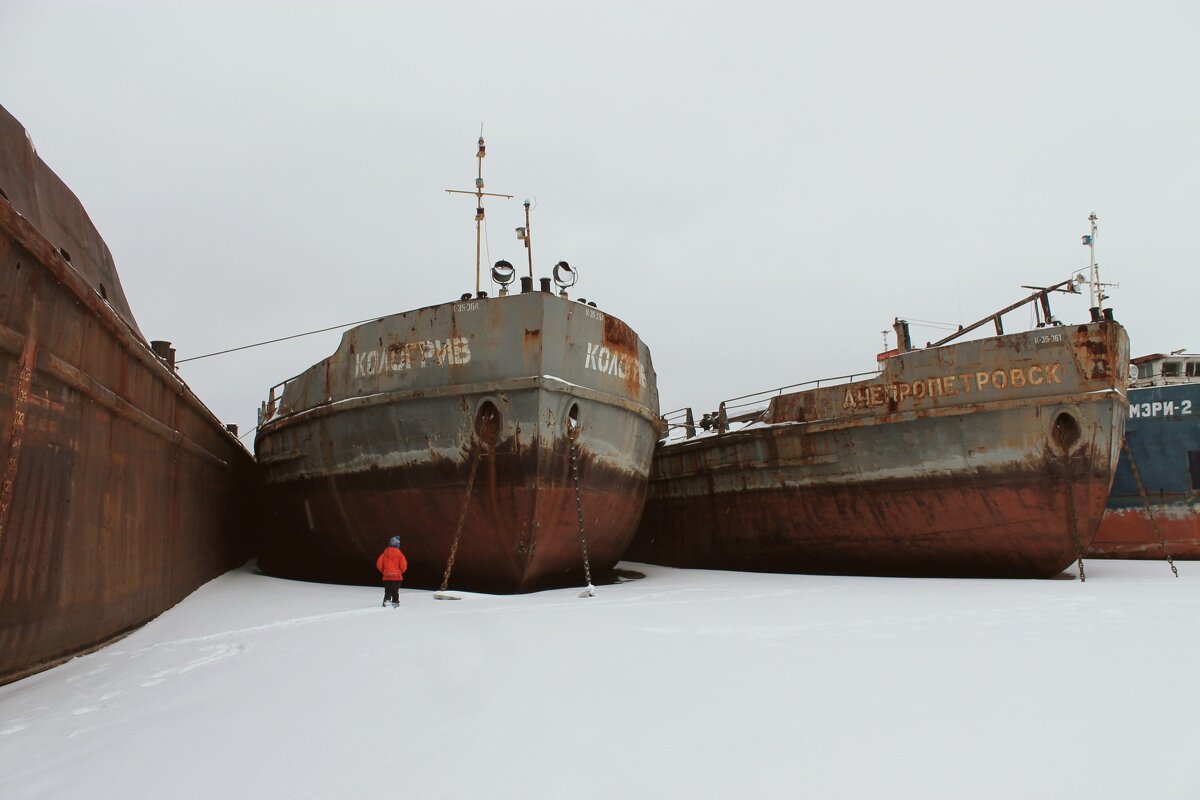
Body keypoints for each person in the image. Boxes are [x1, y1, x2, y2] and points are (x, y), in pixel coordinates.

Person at [376, 535, 408, 608]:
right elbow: (403, 565)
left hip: (387, 576)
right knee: (395, 591)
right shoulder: (400, 555)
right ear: (398, 545)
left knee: (388, 590)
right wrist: (400, 572)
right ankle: (395, 602)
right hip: (397, 577)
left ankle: (386, 601)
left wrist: (385, 571)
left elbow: (379, 564)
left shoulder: (384, 554)